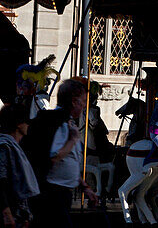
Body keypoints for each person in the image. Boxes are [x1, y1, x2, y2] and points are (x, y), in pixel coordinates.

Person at [26, 78, 98, 228]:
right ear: (73, 102)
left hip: (63, 192)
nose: (84, 105)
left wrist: (84, 186)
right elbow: (54, 156)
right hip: (52, 193)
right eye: (83, 101)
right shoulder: (59, 124)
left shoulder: (68, 122)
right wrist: (72, 140)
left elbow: (70, 159)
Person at [0, 105, 39, 228]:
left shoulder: (15, 147)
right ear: (18, 124)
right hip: (11, 213)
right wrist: (6, 213)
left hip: (18, 213)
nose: (28, 125)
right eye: (25, 121)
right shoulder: (4, 147)